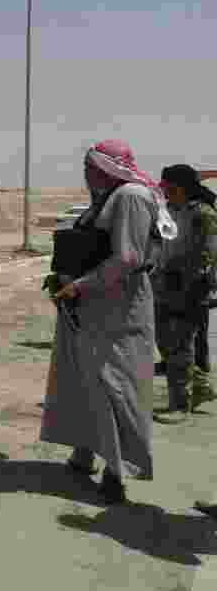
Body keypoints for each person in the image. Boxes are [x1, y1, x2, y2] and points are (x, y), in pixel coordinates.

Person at [40, 139, 175, 505]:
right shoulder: (110, 197)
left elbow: (128, 258)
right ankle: (85, 453)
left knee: (114, 384)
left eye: (91, 167)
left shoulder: (129, 195)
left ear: (108, 168)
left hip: (118, 306)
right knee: (84, 380)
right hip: (94, 304)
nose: (86, 174)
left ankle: (116, 472)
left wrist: (80, 285)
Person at [152, 164, 217, 423]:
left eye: (168, 187)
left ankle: (180, 406)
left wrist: (205, 285)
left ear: (181, 187)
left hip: (190, 287)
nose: (165, 191)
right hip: (165, 285)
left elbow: (210, 253)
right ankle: (201, 388)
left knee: (180, 345)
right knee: (165, 342)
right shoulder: (169, 211)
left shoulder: (203, 213)